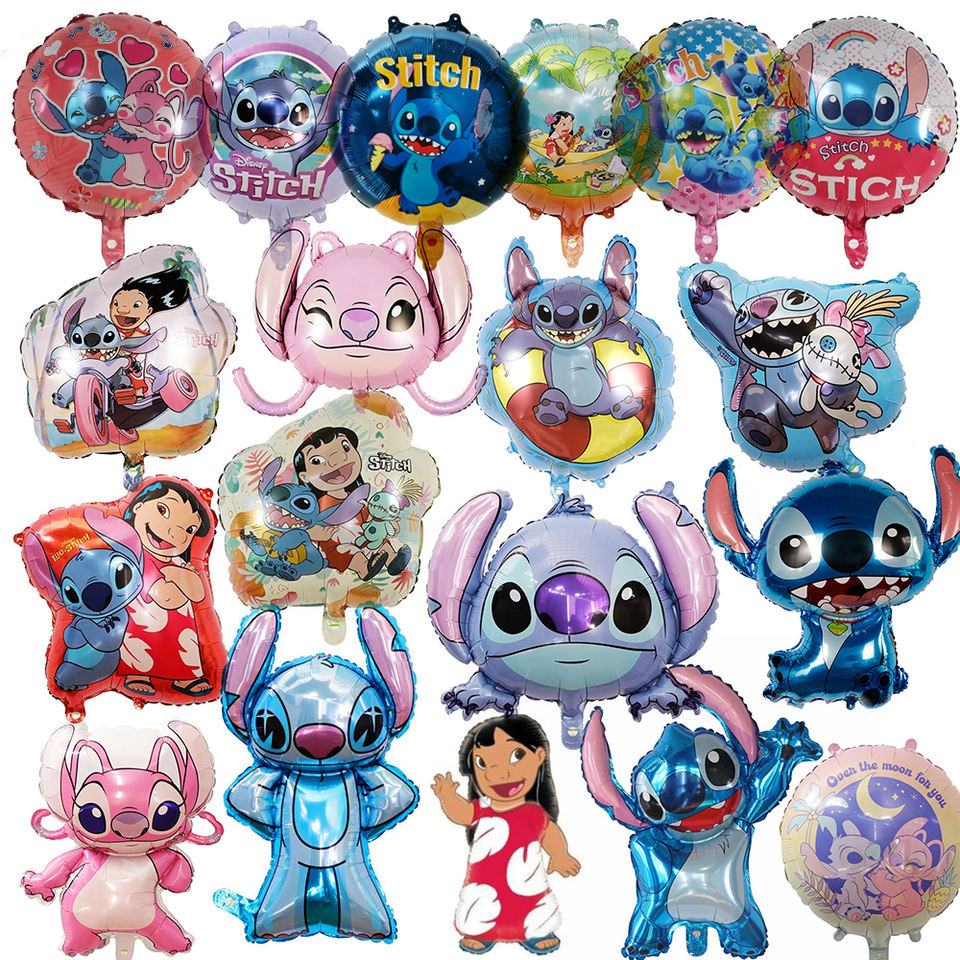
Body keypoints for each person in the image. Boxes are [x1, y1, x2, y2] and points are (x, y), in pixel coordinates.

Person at [432, 715, 580, 955]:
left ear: (539, 757)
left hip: (527, 879)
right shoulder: (482, 808)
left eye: (516, 756)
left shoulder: (533, 812)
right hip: (485, 882)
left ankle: (537, 930)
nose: (497, 774)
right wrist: (447, 797)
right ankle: (481, 931)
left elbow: (550, 833)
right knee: (479, 903)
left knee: (533, 902)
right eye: (482, 763)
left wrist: (560, 855)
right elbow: (461, 813)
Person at [118, 480, 213, 698]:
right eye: (163, 510)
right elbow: (168, 598)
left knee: (183, 646)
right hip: (143, 623)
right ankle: (138, 675)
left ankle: (185, 676)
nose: (176, 534)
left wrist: (180, 575)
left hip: (180, 627)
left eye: (190, 529)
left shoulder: (177, 561)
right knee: (142, 646)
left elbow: (198, 594)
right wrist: (182, 577)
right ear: (138, 507)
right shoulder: (138, 560)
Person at [293, 427, 411, 581]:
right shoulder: (318, 506)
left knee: (379, 540)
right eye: (316, 461)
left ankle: (392, 559)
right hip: (335, 545)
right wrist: (316, 533)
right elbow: (307, 528)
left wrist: (386, 523)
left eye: (345, 447)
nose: (337, 459)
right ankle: (364, 568)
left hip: (363, 536)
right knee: (348, 552)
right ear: (305, 476)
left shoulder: (356, 497)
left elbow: (370, 516)